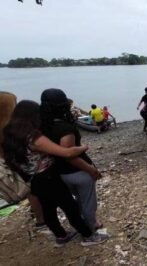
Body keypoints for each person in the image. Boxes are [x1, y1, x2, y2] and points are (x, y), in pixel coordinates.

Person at [2, 100, 107, 247]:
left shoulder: (8, 135)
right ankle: (88, 236)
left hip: (31, 179)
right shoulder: (34, 138)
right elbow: (67, 153)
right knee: (70, 207)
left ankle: (61, 236)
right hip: (48, 177)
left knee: (48, 209)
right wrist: (83, 147)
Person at [40, 89, 104, 233]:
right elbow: (69, 155)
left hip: (60, 173)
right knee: (88, 202)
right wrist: (91, 169)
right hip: (78, 171)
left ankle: (82, 223)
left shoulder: (42, 127)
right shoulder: (65, 128)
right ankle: (92, 227)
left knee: (78, 200)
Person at [0, 92, 45, 230]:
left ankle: (40, 219)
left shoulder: (11, 134)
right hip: (21, 166)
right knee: (32, 187)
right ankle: (41, 219)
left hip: (13, 159)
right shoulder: (21, 134)